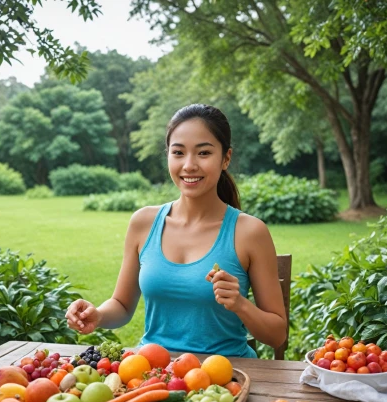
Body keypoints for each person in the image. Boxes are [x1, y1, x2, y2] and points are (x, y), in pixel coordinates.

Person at [66, 104, 286, 358]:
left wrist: (240, 305)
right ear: (168, 156)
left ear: (226, 158)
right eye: (178, 153)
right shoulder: (143, 222)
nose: (189, 165)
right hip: (152, 373)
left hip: (227, 375)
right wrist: (99, 315)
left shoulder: (249, 232)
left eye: (203, 153)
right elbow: (123, 305)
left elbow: (277, 334)